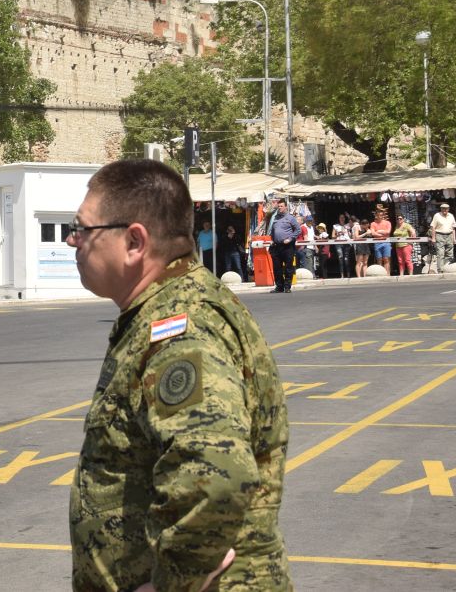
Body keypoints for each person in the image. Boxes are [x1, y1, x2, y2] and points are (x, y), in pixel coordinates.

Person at [67, 159, 289, 591]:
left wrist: (175, 581)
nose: (73, 241)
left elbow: (216, 470)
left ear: (134, 241)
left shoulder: (180, 325)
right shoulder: (164, 308)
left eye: (83, 230)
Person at [267, 199, 300, 294]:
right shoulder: (275, 218)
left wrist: (290, 239)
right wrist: (272, 239)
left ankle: (287, 287)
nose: (279, 208)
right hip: (277, 246)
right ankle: (279, 286)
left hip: (287, 246)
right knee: (277, 268)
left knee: (288, 267)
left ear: (286, 207)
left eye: (281, 206)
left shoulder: (290, 218)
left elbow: (298, 230)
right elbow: (273, 231)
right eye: (279, 206)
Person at [429, 202, 456, 273]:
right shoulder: (437, 215)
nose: (445, 210)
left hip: (449, 235)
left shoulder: (451, 216)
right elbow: (433, 227)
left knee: (450, 253)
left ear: (448, 209)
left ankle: (447, 268)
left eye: (446, 209)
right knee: (440, 253)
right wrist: (433, 238)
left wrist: (454, 238)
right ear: (441, 209)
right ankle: (440, 270)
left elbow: (453, 228)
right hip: (439, 235)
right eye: (443, 209)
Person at [369, 207, 393, 277]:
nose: (380, 216)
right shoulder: (373, 223)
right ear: (376, 215)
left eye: (381, 215)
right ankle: (381, 274)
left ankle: (387, 274)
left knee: (386, 259)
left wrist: (379, 231)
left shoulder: (388, 222)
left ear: (383, 215)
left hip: (386, 243)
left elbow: (388, 232)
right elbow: (373, 233)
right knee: (379, 259)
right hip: (377, 243)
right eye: (378, 215)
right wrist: (382, 233)